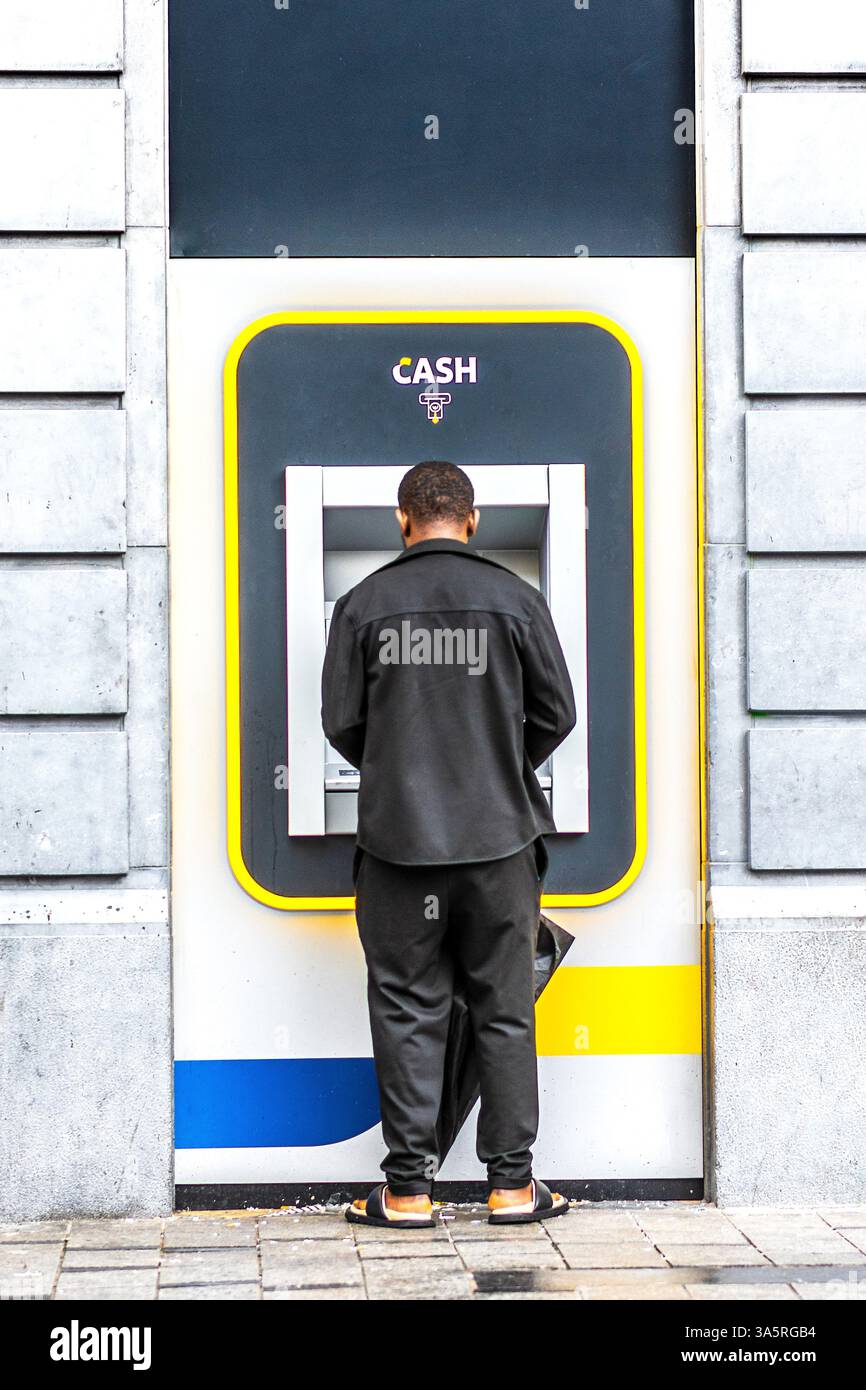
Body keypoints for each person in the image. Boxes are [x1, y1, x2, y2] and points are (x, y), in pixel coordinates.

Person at [321, 460, 576, 1228]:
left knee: (405, 1009)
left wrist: (402, 772)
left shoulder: (363, 605)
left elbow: (342, 723)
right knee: (504, 1011)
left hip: (399, 853)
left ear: (404, 521)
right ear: (472, 521)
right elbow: (557, 712)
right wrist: (501, 766)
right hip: (499, 848)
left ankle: (405, 1193)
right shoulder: (517, 600)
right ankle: (510, 1188)